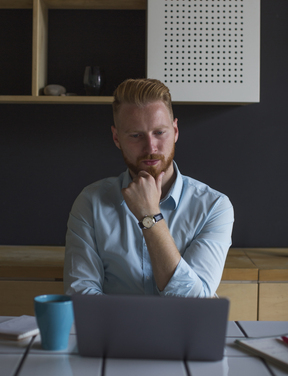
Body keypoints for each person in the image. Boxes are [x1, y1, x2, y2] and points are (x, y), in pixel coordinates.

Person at [64, 78, 234, 297]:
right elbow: (80, 296)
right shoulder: (90, 202)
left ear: (175, 131)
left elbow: (194, 302)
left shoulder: (214, 207)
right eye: (136, 135)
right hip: (114, 332)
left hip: (180, 332)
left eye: (159, 132)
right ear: (117, 138)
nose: (150, 147)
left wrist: (150, 216)